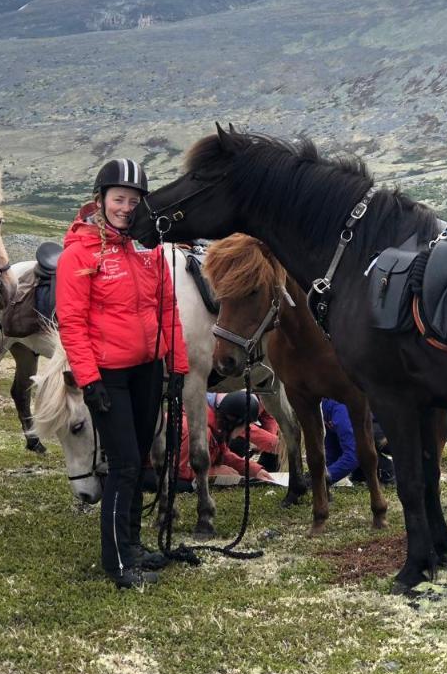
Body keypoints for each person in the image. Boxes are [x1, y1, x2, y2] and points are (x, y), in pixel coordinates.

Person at [56, 158, 191, 589]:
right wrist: (89, 381)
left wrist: (179, 365)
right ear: (101, 201)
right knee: (125, 465)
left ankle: (132, 545)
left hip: (147, 369)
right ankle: (116, 560)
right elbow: (73, 323)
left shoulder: (146, 250)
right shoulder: (79, 255)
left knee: (141, 461)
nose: (126, 208)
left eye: (133, 201)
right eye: (119, 199)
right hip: (109, 375)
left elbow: (167, 309)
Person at [177, 391, 275, 487]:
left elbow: (224, 455)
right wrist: (215, 472)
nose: (246, 429)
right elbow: (180, 470)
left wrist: (254, 470)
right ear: (235, 421)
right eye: (246, 424)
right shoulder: (195, 430)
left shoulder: (216, 427)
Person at [213, 391, 281, 471]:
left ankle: (267, 471)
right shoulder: (234, 397)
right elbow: (243, 428)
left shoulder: (265, 391)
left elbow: (268, 416)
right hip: (227, 427)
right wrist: (274, 444)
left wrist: (267, 442)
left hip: (236, 424)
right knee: (239, 443)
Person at [321, 398, 360, 485]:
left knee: (332, 454)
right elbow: (354, 456)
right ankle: (319, 480)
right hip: (340, 405)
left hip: (327, 403)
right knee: (355, 454)